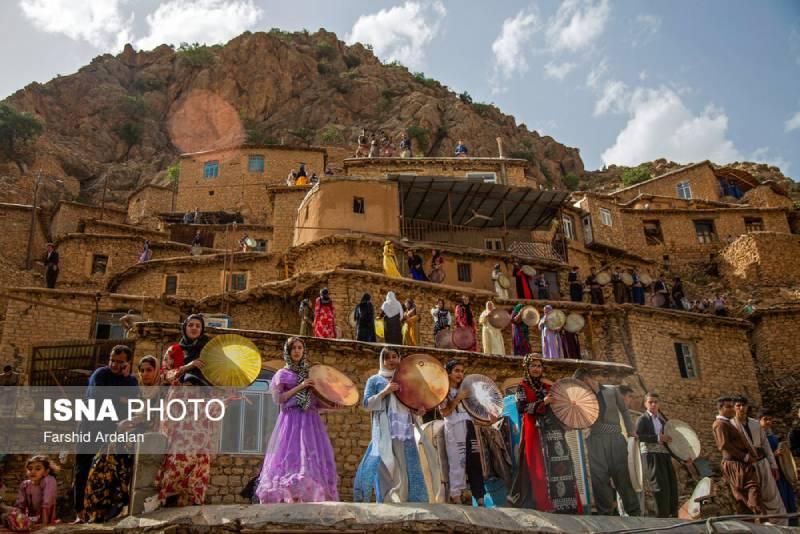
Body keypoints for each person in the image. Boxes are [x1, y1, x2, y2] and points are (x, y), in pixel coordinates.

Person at [256, 337, 339, 503]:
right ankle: (288, 496)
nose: (297, 351)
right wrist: (301, 386)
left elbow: (315, 401)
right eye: (293, 348)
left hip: (310, 420)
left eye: (300, 348)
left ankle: (307, 496)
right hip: (291, 419)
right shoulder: (282, 374)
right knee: (291, 456)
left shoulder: (309, 373)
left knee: (309, 456)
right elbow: (279, 399)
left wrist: (332, 405)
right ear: (288, 351)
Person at [84, 357, 160, 523]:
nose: (145, 374)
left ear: (156, 371)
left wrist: (138, 421)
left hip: (150, 431)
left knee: (120, 448)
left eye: (149, 370)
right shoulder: (139, 391)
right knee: (101, 457)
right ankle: (100, 508)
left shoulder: (161, 391)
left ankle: (119, 499)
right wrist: (127, 422)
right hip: (133, 429)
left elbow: (157, 417)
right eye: (142, 370)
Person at [73, 345, 138, 523]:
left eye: (120, 362)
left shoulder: (130, 380)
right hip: (89, 428)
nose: (114, 365)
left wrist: (125, 381)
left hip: (111, 431)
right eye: (112, 360)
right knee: (83, 468)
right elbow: (97, 395)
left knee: (105, 471)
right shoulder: (100, 374)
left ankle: (100, 511)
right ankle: (79, 511)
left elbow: (132, 400)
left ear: (128, 363)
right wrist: (120, 399)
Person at [354, 347, 429, 503]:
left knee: (405, 464)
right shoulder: (374, 380)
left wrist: (419, 411)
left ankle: (406, 499)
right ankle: (388, 500)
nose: (392, 360)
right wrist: (385, 391)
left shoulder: (406, 379)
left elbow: (411, 406)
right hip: (384, 428)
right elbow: (367, 404)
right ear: (382, 361)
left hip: (404, 428)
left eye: (395, 356)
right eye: (387, 358)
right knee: (385, 465)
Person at [508, 357, 581, 513]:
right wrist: (543, 403)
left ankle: (566, 504)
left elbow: (560, 406)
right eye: (533, 366)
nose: (536, 369)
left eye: (539, 366)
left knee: (561, 461)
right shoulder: (522, 388)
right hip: (535, 431)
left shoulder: (549, 387)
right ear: (526, 368)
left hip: (554, 430)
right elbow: (522, 408)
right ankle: (545, 503)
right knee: (540, 465)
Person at [573, 367, 640, 516]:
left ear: (587, 379)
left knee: (622, 476)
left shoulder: (611, 390)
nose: (581, 388)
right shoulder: (583, 396)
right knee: (599, 478)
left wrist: (630, 429)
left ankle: (634, 513)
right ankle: (605, 515)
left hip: (616, 439)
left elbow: (624, 410)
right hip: (595, 440)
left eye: (581, 384)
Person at [439, 360, 486, 505]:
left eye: (462, 371)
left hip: (469, 426)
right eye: (456, 371)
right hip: (454, 427)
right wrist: (456, 399)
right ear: (448, 373)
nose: (460, 374)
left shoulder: (466, 391)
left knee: (474, 460)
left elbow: (475, 411)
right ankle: (456, 494)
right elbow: (444, 413)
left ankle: (479, 496)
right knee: (457, 461)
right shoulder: (442, 391)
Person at [732, 397, 786, 523]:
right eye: (738, 405)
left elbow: (765, 445)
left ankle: (779, 523)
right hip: (745, 466)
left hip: (762, 463)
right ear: (734, 407)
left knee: (772, 495)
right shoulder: (731, 425)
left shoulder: (755, 424)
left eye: (743, 405)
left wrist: (773, 465)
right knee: (753, 497)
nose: (741, 408)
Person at [712, 396, 765, 515]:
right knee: (751, 488)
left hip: (739, 463)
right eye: (728, 407)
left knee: (743, 495)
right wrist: (744, 457)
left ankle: (752, 521)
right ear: (720, 408)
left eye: (732, 406)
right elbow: (723, 445)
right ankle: (760, 518)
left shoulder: (726, 423)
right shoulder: (720, 424)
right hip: (735, 464)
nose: (732, 409)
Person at [635, 392, 678, 518]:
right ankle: (662, 517)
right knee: (658, 486)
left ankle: (672, 515)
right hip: (651, 455)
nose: (653, 404)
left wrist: (683, 459)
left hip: (664, 456)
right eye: (650, 402)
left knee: (671, 485)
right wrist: (658, 437)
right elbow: (638, 436)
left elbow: (669, 442)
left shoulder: (662, 421)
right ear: (645, 404)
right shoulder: (642, 419)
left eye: (656, 402)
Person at [760, 413, 798, 526]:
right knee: (779, 499)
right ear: (759, 421)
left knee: (789, 497)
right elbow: (759, 456)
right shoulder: (759, 437)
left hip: (782, 472)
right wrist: (774, 455)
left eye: (770, 419)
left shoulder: (773, 437)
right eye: (765, 419)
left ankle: (793, 523)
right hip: (771, 473)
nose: (768, 422)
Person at [6, 455, 58, 530]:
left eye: (38, 469)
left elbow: (47, 502)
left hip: (46, 519)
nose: (33, 471)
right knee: (7, 516)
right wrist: (21, 521)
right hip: (31, 519)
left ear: (46, 471)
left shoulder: (49, 480)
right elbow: (21, 505)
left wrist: (44, 525)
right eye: (30, 469)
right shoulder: (25, 484)